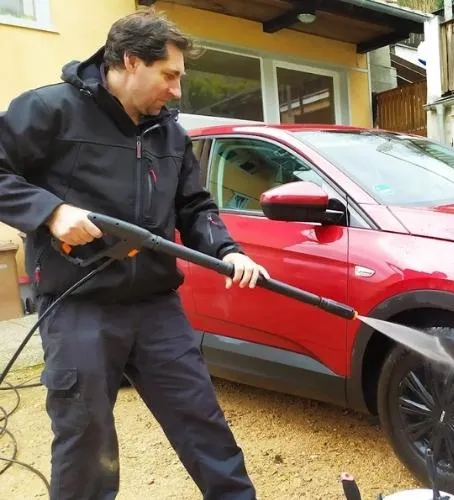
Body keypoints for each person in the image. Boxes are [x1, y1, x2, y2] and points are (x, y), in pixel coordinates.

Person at [0, 8, 263, 499]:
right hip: (80, 305)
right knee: (86, 442)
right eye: (169, 75)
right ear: (129, 62)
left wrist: (228, 249)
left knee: (203, 423)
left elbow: (195, 204)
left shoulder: (169, 133)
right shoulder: (47, 110)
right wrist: (50, 211)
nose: (177, 90)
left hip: (156, 306)